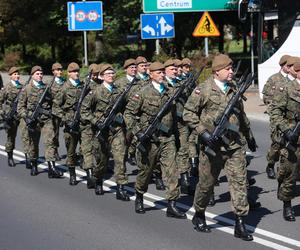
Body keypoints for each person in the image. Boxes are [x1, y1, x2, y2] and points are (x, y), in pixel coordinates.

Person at [183, 54, 256, 241]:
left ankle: (240, 223)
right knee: (206, 185)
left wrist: (249, 137)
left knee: (239, 183)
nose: (232, 72)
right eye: (228, 69)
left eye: (232, 68)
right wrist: (203, 133)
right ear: (217, 72)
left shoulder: (234, 88)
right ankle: (199, 213)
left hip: (234, 146)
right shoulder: (204, 89)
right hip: (212, 146)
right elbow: (188, 113)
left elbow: (242, 116)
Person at [124, 62, 186, 218]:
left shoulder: (169, 92)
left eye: (162, 72)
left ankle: (172, 204)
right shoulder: (142, 93)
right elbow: (129, 114)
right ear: (150, 74)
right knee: (145, 172)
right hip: (149, 140)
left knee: (171, 171)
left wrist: (177, 137)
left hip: (167, 139)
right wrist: (138, 133)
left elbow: (174, 116)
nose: (161, 75)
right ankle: (139, 195)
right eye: (158, 73)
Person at [81, 64, 130, 200]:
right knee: (102, 161)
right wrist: (96, 121)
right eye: (108, 74)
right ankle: (98, 180)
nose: (111, 76)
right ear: (102, 76)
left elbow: (128, 109)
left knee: (120, 159)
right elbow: (84, 110)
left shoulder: (119, 91)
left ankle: (121, 188)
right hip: (101, 132)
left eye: (112, 73)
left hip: (117, 130)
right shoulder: (95, 92)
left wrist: (123, 118)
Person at [17, 65, 63, 178]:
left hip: (46, 120)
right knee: (33, 144)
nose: (40, 75)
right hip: (33, 121)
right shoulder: (27, 89)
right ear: (32, 75)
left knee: (50, 142)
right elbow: (20, 107)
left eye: (41, 73)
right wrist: (26, 117)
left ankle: (52, 168)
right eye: (37, 74)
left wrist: (56, 114)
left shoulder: (47, 88)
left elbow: (54, 103)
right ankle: (34, 165)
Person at [269, 58, 300, 222]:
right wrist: (287, 130)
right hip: (293, 139)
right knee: (290, 174)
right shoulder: (287, 89)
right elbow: (275, 112)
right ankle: (287, 205)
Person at [53, 62, 87, 186]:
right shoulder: (64, 88)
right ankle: (72, 174)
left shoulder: (84, 86)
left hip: (83, 123)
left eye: (77, 71)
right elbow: (56, 107)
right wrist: (65, 118)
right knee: (71, 152)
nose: (76, 73)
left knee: (87, 150)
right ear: (69, 73)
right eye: (73, 72)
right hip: (70, 125)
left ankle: (89, 175)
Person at [262, 55, 291, 179]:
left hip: (290, 117)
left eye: (291, 66)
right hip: (277, 117)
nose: (290, 68)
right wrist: (273, 108)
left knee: (291, 143)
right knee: (277, 143)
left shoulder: (295, 79)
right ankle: (270, 164)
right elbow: (266, 97)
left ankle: (287, 168)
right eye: (288, 66)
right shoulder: (273, 79)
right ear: (282, 66)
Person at [0, 67, 23, 166]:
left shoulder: (22, 87)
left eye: (17, 74)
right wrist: (2, 113)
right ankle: (10, 156)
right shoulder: (7, 88)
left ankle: (29, 158)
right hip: (11, 116)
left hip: (21, 115)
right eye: (14, 74)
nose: (17, 76)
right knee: (11, 137)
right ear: (10, 76)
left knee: (26, 136)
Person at [50, 62, 65, 161]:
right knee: (54, 133)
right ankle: (54, 151)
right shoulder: (50, 83)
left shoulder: (65, 82)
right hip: (54, 112)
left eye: (60, 70)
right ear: (53, 71)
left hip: (64, 111)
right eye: (57, 70)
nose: (59, 71)